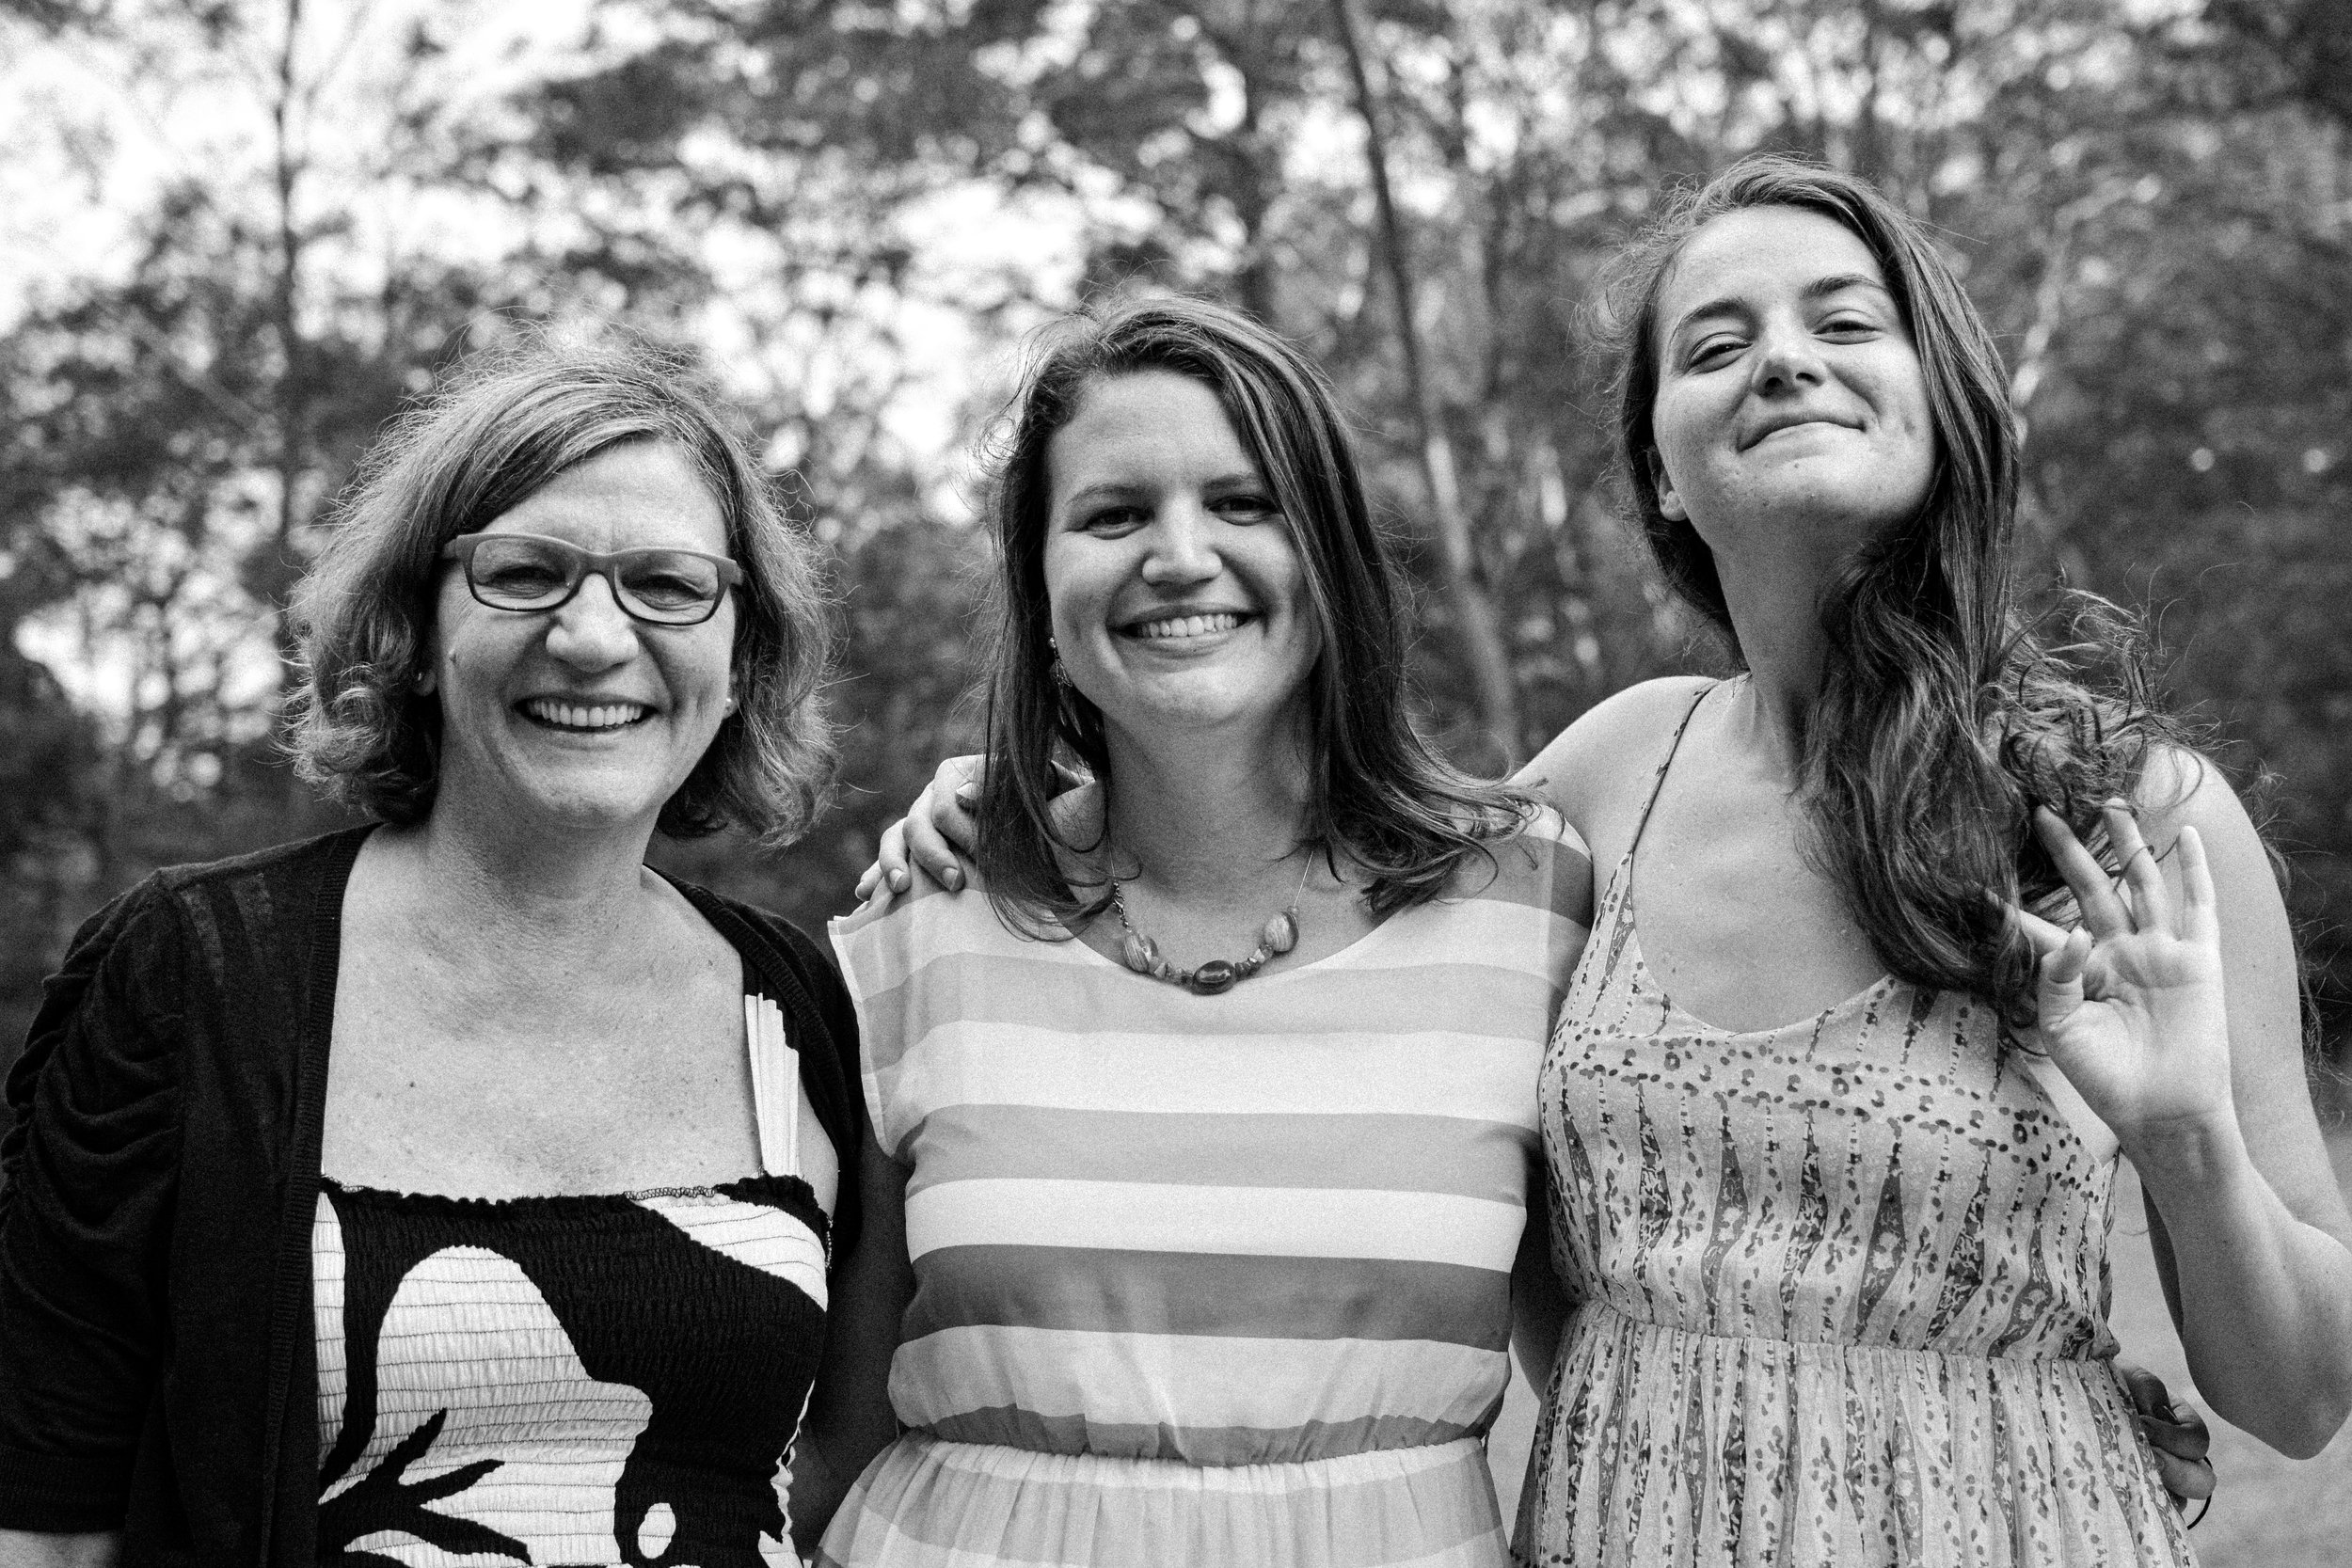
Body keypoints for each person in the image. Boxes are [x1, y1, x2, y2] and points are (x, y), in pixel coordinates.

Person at [1504, 155, 2352, 1563]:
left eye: (1844, 324)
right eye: (1718, 345)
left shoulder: (2131, 810)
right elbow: (1321, 919)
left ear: (1945, 400)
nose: (1783, 361)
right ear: (1660, 464)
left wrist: (2187, 1138)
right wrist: (1033, 817)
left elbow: (2307, 1398)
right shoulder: (1603, 776)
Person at [0, 341, 895, 1568]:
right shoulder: (188, 978)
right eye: (524, 573)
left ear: (741, 660)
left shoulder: (797, 1006)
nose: (590, 637)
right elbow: (44, 1525)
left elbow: (853, 1462)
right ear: (417, 631)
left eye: (667, 585)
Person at [812, 296, 1593, 1568]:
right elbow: (830, 1433)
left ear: (1328, 560)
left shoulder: (1527, 900)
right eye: (1113, 515)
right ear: (1044, 597)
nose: (1178, 556)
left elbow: (1604, 1373)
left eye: (1242, 504)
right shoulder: (928, 915)